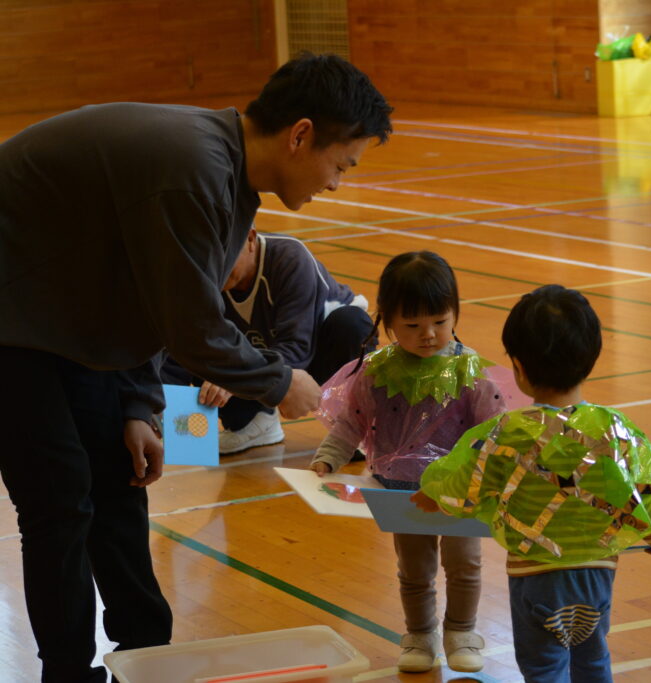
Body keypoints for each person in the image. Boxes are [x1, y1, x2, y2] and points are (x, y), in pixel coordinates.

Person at [0, 53, 392, 682]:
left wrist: (138, 407)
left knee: (119, 477)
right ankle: (68, 674)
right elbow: (192, 325)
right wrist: (280, 384)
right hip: (15, 319)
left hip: (66, 315)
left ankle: (148, 656)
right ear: (300, 135)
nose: (337, 184)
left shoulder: (224, 177)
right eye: (341, 164)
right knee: (60, 501)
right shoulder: (193, 170)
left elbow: (144, 294)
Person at [413, 284, 651, 683]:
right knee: (593, 660)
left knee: (543, 667)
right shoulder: (615, 430)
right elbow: (641, 496)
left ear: (518, 367)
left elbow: (465, 486)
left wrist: (434, 495)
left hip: (534, 578)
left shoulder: (506, 433)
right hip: (595, 577)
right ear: (591, 358)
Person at [310, 250, 505, 674]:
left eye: (440, 321)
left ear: (455, 313)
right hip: (400, 491)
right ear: (388, 321)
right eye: (413, 326)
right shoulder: (376, 371)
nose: (429, 335)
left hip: (458, 491)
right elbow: (351, 422)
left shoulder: (470, 370)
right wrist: (328, 458)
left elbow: (494, 429)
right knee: (414, 570)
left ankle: (461, 632)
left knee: (466, 565)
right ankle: (419, 635)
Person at [163, 227, 376, 454]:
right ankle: (251, 422)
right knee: (196, 340)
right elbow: (179, 349)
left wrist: (233, 376)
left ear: (250, 239)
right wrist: (162, 421)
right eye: (208, 259)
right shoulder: (201, 275)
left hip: (315, 356)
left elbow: (297, 348)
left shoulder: (290, 258)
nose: (217, 269)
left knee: (352, 323)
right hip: (262, 362)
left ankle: (354, 429)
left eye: (225, 256)